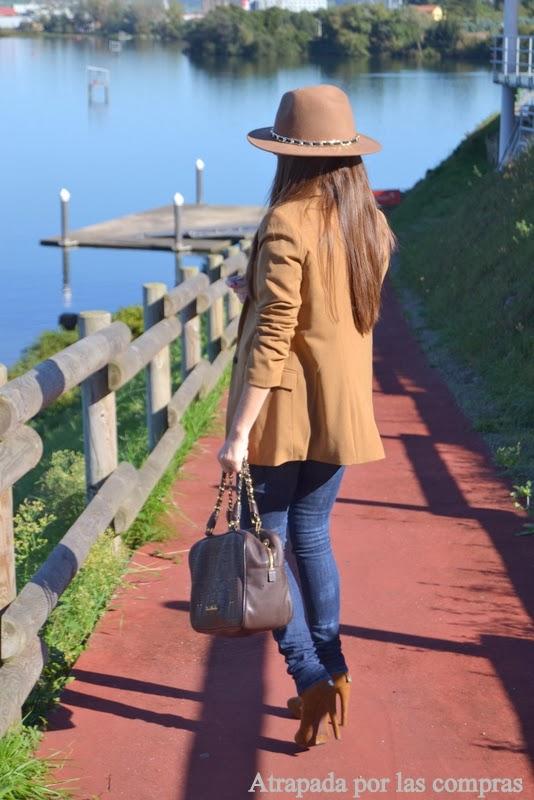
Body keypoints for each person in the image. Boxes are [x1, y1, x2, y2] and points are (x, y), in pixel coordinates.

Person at [217, 84, 396, 749]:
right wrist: (254, 288)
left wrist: (238, 434)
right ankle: (337, 674)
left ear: (286, 154)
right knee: (312, 538)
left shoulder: (287, 219)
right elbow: (318, 308)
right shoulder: (366, 220)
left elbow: (274, 335)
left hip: (285, 413)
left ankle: (311, 675)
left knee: (260, 547)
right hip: (340, 410)